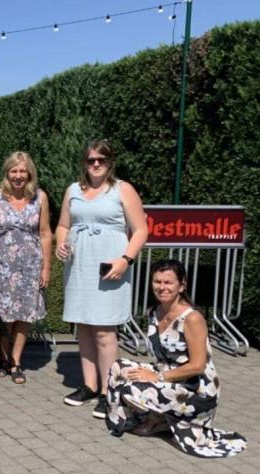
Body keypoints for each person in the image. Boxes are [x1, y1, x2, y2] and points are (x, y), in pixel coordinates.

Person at [105, 260, 246, 457]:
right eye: (157, 281)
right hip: (170, 375)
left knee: (131, 389)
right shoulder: (154, 312)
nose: (162, 287)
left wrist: (157, 378)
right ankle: (142, 420)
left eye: (168, 282)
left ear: (182, 286)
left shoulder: (192, 318)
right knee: (119, 367)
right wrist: (152, 374)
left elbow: (198, 366)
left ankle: (165, 421)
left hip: (196, 388)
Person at [55, 139, 148, 419]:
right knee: (83, 325)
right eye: (91, 160)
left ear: (110, 163)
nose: (96, 164)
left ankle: (110, 392)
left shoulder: (123, 190)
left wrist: (125, 259)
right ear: (84, 163)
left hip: (109, 266)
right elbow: (62, 225)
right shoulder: (73, 190)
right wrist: (61, 243)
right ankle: (89, 385)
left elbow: (141, 229)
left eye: (102, 160)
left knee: (105, 331)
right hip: (79, 266)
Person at [0, 152, 51, 384]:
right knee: (3, 315)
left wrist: (47, 269)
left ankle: (15, 361)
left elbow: (45, 234)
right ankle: (2, 359)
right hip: (3, 266)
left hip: (31, 266)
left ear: (29, 173)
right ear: (7, 173)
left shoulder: (40, 198)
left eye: (22, 171)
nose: (18, 176)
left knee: (24, 315)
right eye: (13, 171)